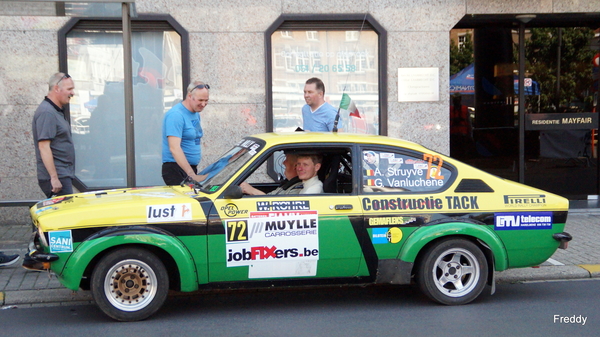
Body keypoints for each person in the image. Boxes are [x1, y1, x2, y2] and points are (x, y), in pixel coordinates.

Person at [32, 72, 76, 198]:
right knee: (65, 216)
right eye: (69, 89)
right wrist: (54, 178)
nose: (72, 93)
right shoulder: (47, 112)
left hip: (62, 175)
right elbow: (44, 147)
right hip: (57, 179)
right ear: (57, 88)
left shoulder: (54, 111)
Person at [162, 81, 209, 185]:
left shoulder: (195, 113)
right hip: (176, 169)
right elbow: (174, 148)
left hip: (189, 169)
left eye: (206, 100)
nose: (203, 104)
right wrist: (191, 175)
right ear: (189, 96)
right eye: (200, 100)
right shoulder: (176, 115)